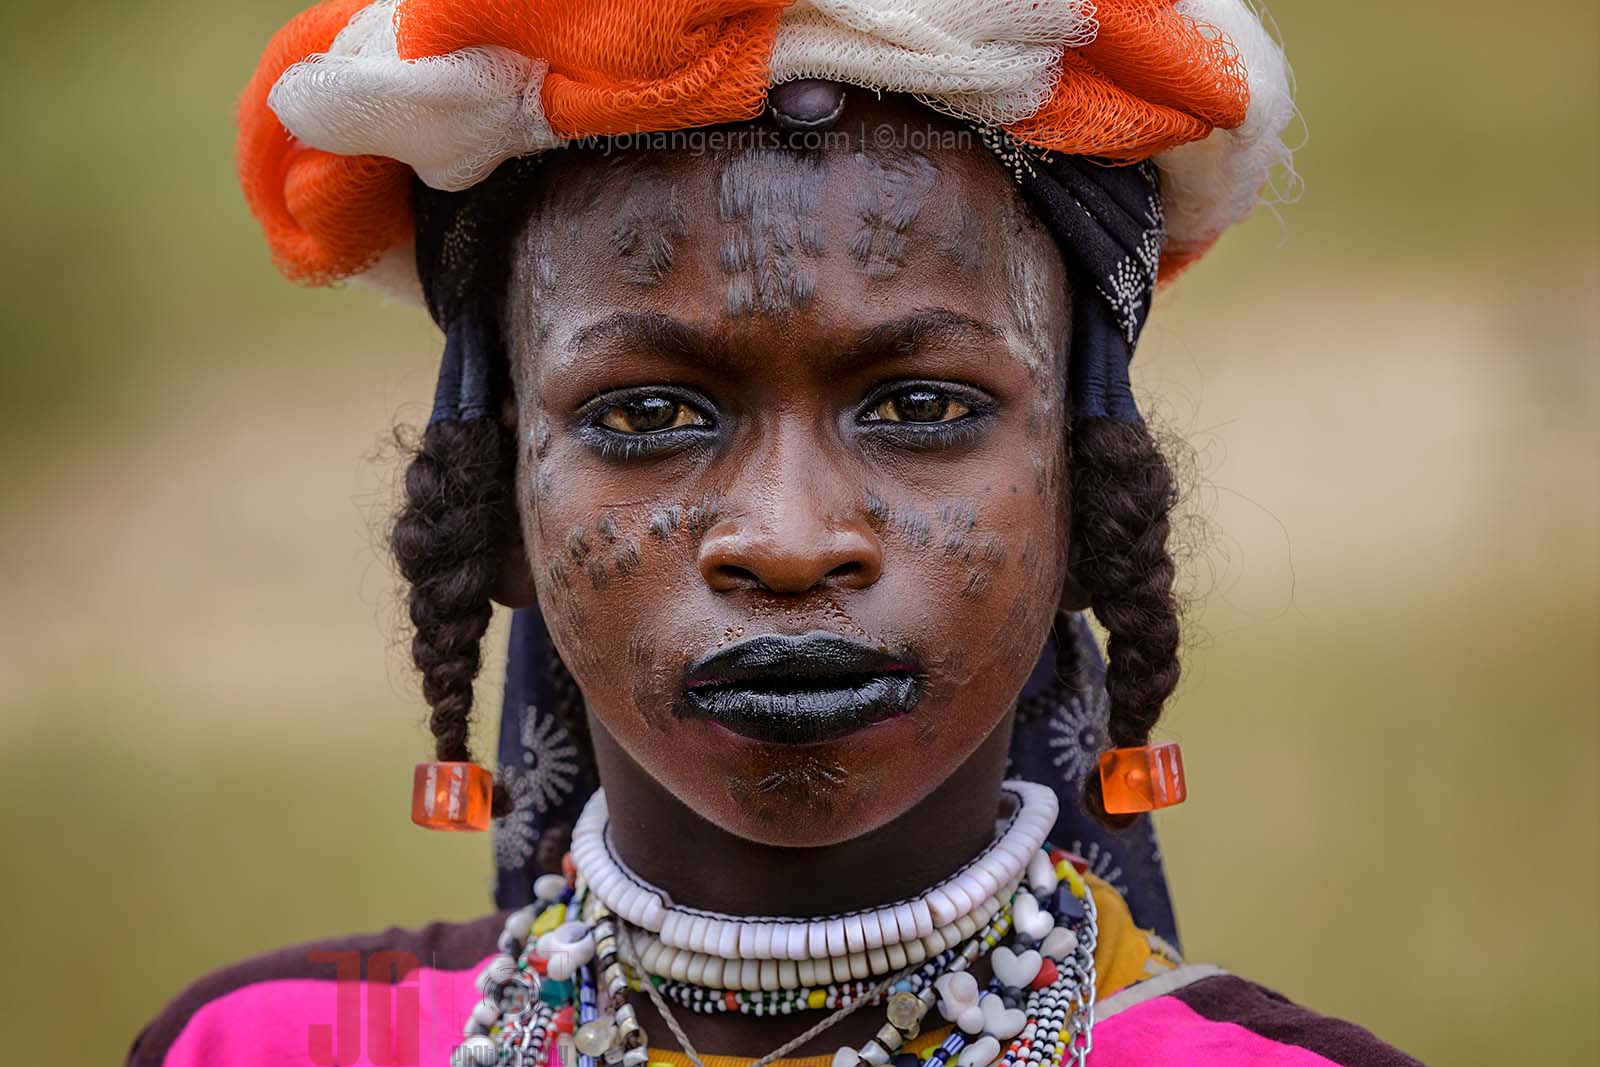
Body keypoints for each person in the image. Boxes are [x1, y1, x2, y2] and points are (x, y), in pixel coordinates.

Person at [129, 2, 1423, 1065]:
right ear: (499, 511)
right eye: (647, 413)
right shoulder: (262, 1049)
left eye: (921, 406)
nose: (792, 539)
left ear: (1083, 493)